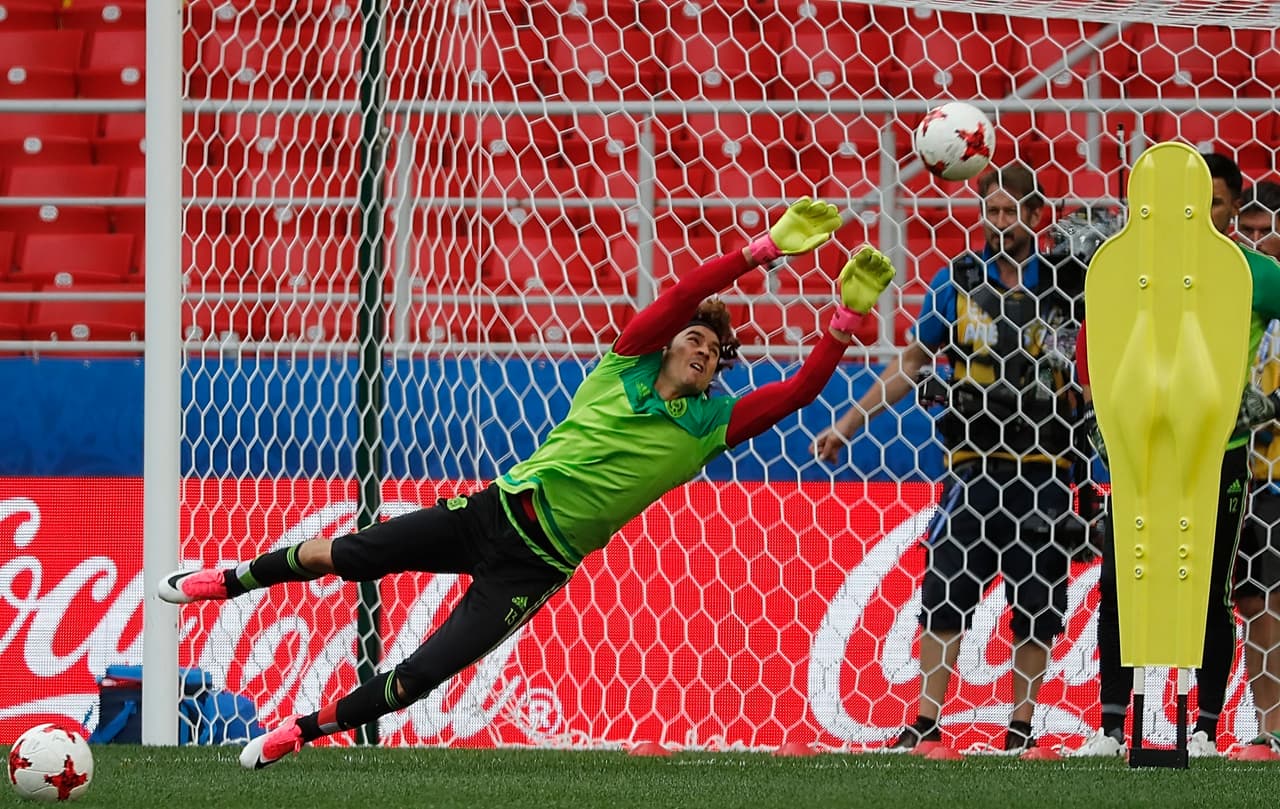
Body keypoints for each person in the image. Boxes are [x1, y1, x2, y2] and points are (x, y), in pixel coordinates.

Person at [157, 197, 898, 769]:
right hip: (490, 512)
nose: (702, 347)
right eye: (695, 337)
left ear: (718, 370)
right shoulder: (623, 361)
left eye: (714, 348)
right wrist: (761, 251)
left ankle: (301, 730)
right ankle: (224, 581)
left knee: (418, 676)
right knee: (345, 555)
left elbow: (799, 392)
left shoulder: (709, 427)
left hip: (532, 568)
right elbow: (679, 296)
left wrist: (842, 321)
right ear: (671, 344)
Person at [811, 164, 1084, 753]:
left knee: (1037, 599)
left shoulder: (1068, 284)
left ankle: (1021, 725)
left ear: (1037, 218)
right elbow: (911, 363)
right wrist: (849, 423)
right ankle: (927, 719)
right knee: (946, 589)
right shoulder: (956, 281)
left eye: (1013, 212)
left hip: (1047, 465)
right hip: (975, 461)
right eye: (993, 211)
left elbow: (1095, 365)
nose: (1001, 222)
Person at [1071, 154, 1280, 758]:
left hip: (1223, 452)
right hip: (1141, 452)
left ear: (1234, 210)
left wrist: (1268, 401)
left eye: (1213, 203)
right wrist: (1098, 409)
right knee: (1122, 581)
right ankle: (1112, 726)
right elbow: (1099, 342)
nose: (1197, 215)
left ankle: (1206, 728)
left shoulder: (1256, 274)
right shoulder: (1133, 269)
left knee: (1210, 585)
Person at [1236, 180, 1280, 749]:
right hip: (1246, 475)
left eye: (1262, 228)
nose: (1253, 241)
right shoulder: (1233, 297)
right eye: (1243, 233)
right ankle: (1268, 727)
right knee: (1255, 603)